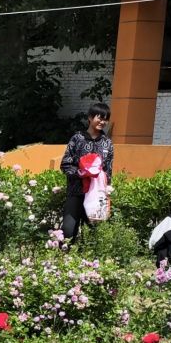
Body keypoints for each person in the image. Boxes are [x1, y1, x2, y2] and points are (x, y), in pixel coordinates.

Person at [60, 104, 113, 243]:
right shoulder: (77, 138)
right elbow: (65, 164)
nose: (102, 122)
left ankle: (90, 256)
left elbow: (108, 170)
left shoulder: (107, 143)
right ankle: (65, 254)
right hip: (76, 191)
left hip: (97, 195)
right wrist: (81, 173)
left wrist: (107, 190)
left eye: (106, 119)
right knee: (68, 231)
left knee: (96, 233)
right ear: (90, 117)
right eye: (99, 118)